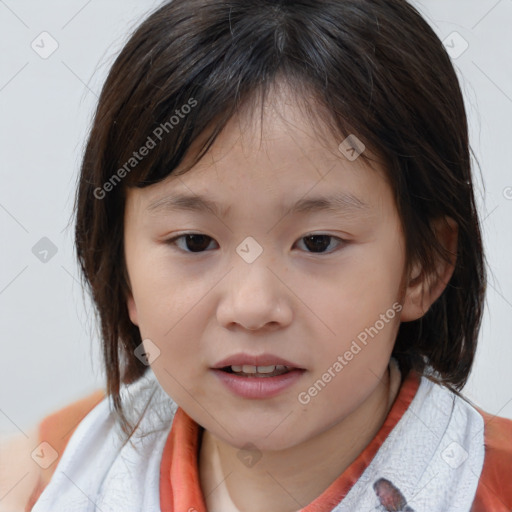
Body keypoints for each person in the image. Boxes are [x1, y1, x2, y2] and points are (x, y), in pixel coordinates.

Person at [1, 0, 511, 510]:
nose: (252, 307)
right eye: (195, 242)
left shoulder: (488, 485)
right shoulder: (59, 470)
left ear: (422, 268)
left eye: (317, 242)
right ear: (124, 273)